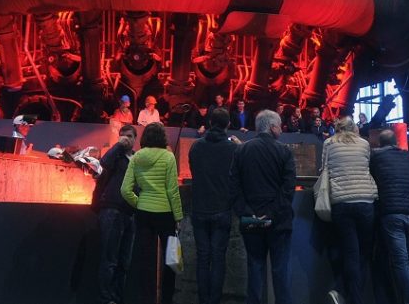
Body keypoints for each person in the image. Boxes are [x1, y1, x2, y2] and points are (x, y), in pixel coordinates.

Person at [229, 110, 296, 304]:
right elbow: (288, 188)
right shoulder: (284, 151)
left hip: (251, 220)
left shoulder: (241, 150)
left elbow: (234, 185)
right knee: (280, 272)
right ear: (273, 127)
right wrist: (272, 214)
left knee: (255, 269)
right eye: (280, 126)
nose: (281, 130)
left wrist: (246, 212)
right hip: (279, 222)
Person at [121, 122, 183, 304]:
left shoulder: (136, 157)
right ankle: (166, 299)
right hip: (165, 214)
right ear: (163, 137)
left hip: (144, 214)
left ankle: (145, 298)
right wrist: (178, 216)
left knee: (144, 260)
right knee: (170, 260)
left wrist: (140, 202)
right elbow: (173, 190)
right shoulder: (168, 157)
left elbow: (125, 190)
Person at [323, 116, 378, 304]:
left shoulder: (329, 143)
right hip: (365, 201)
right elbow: (367, 166)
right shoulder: (364, 144)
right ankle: (353, 296)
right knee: (363, 253)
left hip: (341, 203)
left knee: (350, 252)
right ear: (354, 128)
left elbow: (324, 169)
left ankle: (348, 296)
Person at [189, 109, 239, 304]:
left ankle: (203, 300)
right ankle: (214, 300)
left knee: (203, 257)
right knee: (218, 258)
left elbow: (194, 172)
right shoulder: (232, 149)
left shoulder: (196, 147)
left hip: (200, 207)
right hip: (222, 208)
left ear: (210, 122)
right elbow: (236, 178)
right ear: (228, 125)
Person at [370, 129, 409, 304]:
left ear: (379, 143)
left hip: (392, 212)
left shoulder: (375, 157)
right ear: (396, 142)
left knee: (400, 262)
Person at [92, 124, 137, 304]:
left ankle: (117, 298)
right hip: (112, 210)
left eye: (129, 136)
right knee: (109, 259)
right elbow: (103, 165)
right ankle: (106, 299)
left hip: (130, 213)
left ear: (135, 139)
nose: (126, 139)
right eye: (123, 135)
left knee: (124, 262)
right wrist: (118, 145)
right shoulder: (115, 156)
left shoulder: (136, 159)